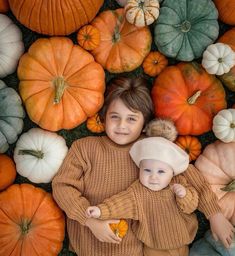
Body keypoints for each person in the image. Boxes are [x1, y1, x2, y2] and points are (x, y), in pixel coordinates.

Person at [52, 76, 234, 256]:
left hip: (141, 247)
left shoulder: (154, 148)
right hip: (90, 241)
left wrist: (215, 215)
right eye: (114, 117)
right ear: (104, 116)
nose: (121, 125)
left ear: (145, 122)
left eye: (131, 119)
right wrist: (91, 222)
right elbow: (63, 187)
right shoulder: (85, 148)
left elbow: (194, 179)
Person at [86, 136, 199, 256]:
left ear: (172, 173)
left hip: (183, 241)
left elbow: (191, 207)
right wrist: (100, 210)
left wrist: (184, 195)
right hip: (154, 247)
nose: (153, 177)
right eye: (147, 170)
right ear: (139, 169)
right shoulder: (137, 192)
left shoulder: (178, 183)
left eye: (161, 172)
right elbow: (120, 204)